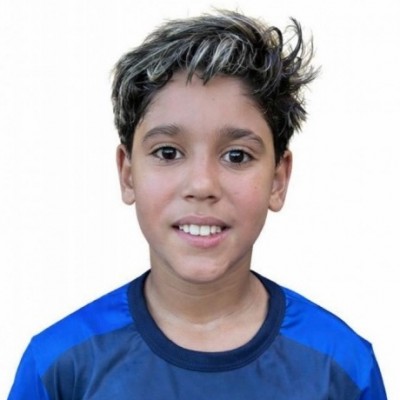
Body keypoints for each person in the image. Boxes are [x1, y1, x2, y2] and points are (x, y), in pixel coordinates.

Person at [8, 10, 386, 399]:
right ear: (127, 173)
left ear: (278, 179)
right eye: (168, 152)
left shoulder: (342, 366)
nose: (202, 185)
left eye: (237, 156)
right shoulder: (59, 367)